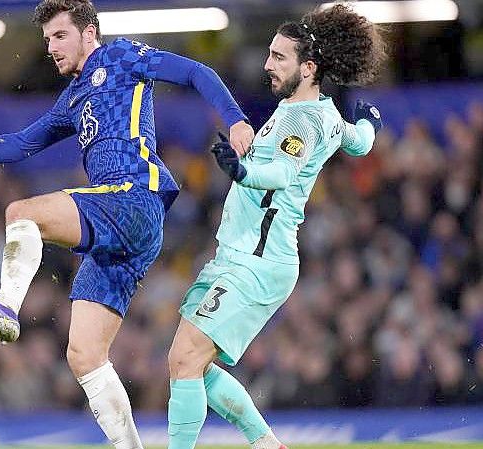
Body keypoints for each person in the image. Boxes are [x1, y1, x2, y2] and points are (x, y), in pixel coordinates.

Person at [0, 1, 253, 447]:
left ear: (89, 34)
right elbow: (20, 144)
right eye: (46, 39)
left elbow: (195, 72)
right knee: (85, 355)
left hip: (133, 198)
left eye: (59, 35)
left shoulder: (121, 57)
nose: (50, 47)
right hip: (124, 228)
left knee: (20, 213)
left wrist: (237, 119)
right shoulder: (72, 99)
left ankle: (6, 307)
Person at [165, 4, 387, 449]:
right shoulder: (321, 113)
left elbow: (282, 174)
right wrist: (369, 122)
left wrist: (242, 172)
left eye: (279, 57)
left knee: (185, 358)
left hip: (257, 261)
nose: (267, 64)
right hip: (245, 256)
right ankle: (267, 445)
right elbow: (359, 143)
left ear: (308, 68)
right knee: (193, 365)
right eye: (269, 54)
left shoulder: (301, 119)